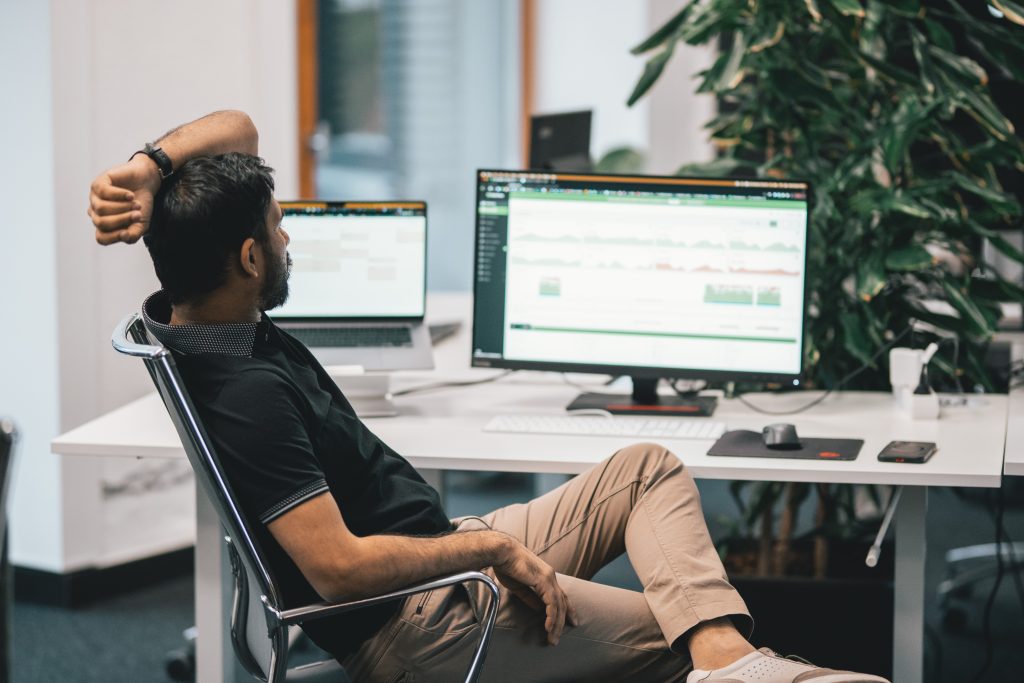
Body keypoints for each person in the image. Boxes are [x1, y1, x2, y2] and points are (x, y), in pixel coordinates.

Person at [89, 110, 888, 683]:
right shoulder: (246, 392)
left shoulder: (203, 315)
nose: (291, 235)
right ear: (249, 257)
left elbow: (238, 127)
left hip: (436, 553)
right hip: (419, 623)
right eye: (279, 225)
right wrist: (489, 551)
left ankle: (727, 668)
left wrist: (149, 168)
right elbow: (336, 570)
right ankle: (726, 664)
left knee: (646, 468)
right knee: (685, 623)